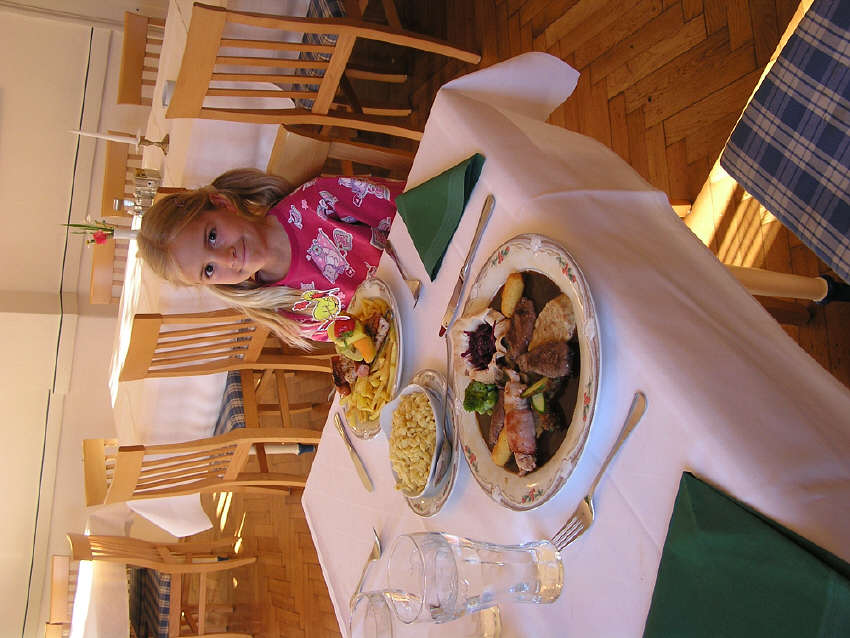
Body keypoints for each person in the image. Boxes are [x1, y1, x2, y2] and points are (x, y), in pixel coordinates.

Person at [137, 168, 404, 348]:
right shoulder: (283, 309)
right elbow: (358, 340)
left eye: (212, 236)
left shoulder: (317, 201)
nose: (226, 258)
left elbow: (409, 207)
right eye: (208, 269)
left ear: (222, 204)